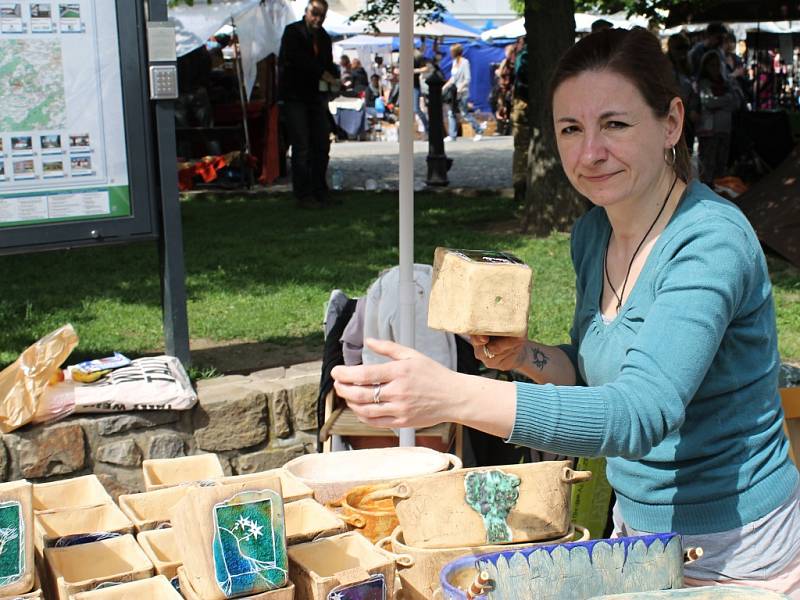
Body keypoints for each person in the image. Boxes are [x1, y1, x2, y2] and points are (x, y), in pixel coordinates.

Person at [331, 28, 800, 597]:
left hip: (738, 549)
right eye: (570, 129)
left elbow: (638, 414)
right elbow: (595, 370)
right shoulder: (593, 233)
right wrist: (525, 355)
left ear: (671, 123)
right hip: (641, 536)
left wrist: (450, 394)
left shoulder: (709, 242)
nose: (589, 152)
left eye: (615, 124)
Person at [278, 0, 338, 208]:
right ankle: (303, 195)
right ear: (306, 12)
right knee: (301, 146)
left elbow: (328, 64)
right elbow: (298, 60)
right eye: (315, 14)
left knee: (322, 143)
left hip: (316, 97)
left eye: (322, 15)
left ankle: (320, 189)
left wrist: (335, 80)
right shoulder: (292, 32)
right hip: (295, 96)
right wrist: (325, 75)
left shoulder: (324, 37)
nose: (318, 19)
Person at [696, 50, 740, 185]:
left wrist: (721, 101)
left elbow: (735, 103)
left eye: (717, 65)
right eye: (711, 65)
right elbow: (708, 102)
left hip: (725, 129)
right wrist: (725, 100)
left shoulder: (726, 83)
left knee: (721, 166)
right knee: (707, 166)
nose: (715, 69)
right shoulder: (703, 83)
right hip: (709, 131)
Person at [442, 44, 484, 142]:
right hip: (453, 91)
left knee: (464, 113)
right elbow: (453, 78)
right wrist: (445, 86)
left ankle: (479, 130)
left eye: (451, 51)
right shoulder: (454, 62)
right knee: (451, 112)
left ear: (455, 52)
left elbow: (467, 78)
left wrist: (461, 87)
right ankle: (452, 135)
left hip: (462, 92)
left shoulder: (465, 62)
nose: (450, 53)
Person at [666, 32, 698, 155]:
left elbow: (694, 91)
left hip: (688, 117)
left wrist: (694, 108)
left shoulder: (688, 68)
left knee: (686, 153)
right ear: (671, 48)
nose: (683, 52)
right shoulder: (665, 69)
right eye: (679, 48)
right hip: (673, 116)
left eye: (685, 47)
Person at [493, 44, 516, 136]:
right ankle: (501, 128)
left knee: (508, 107)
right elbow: (500, 72)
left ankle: (507, 128)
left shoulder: (513, 63)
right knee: (501, 107)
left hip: (510, 88)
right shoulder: (505, 62)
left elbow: (503, 74)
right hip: (503, 88)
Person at [412, 49, 430, 135]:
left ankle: (427, 128)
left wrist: (415, 70)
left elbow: (426, 68)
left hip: (414, 85)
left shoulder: (416, 55)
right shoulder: (402, 55)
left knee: (416, 109)